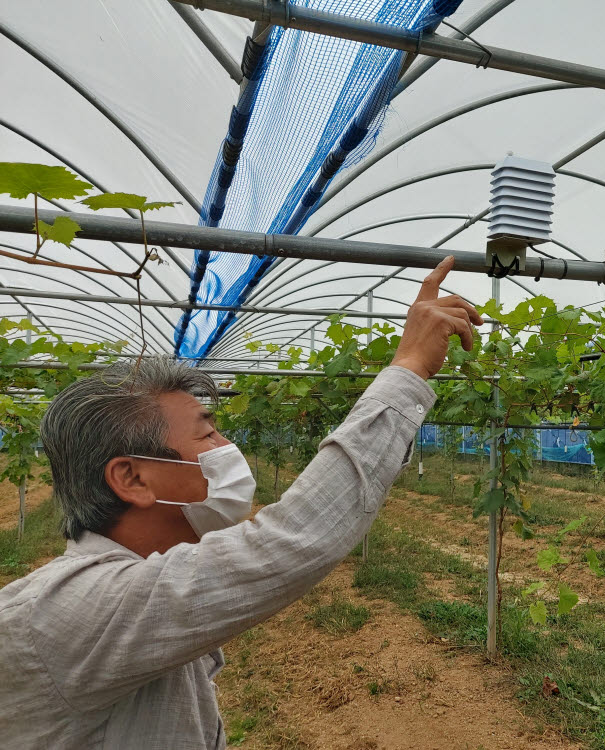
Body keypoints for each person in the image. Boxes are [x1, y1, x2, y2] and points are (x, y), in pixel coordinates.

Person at [0, 257, 483, 749]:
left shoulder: (129, 594)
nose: (228, 447)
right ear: (132, 478)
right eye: (208, 433)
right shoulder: (70, 612)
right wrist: (410, 368)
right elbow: (295, 538)